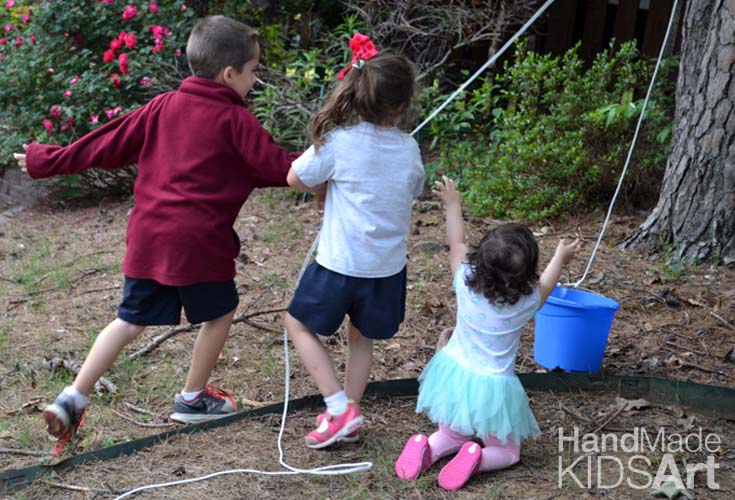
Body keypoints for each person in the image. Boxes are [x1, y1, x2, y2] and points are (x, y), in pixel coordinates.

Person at [13, 15, 300, 443]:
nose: (254, 80)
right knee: (220, 312)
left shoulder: (162, 106)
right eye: (253, 71)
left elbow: (105, 143)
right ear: (229, 74)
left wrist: (46, 159)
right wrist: (328, 164)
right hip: (200, 243)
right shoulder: (237, 121)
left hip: (147, 238)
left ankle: (73, 397)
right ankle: (191, 399)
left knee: (129, 320)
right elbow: (277, 167)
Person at [395, 176, 581, 490]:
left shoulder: (464, 281)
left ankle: (427, 446)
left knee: (450, 433)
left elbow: (456, 243)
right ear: (527, 272)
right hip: (494, 388)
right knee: (508, 452)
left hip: (453, 376)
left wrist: (453, 204)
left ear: (479, 259)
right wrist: (560, 257)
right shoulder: (526, 302)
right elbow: (547, 284)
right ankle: (478, 456)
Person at [284, 35, 425, 449]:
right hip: (386, 268)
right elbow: (414, 189)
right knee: (360, 337)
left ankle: (337, 405)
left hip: (339, 264)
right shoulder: (410, 147)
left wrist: (324, 187)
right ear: (401, 106)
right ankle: (348, 411)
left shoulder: (338, 141)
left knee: (297, 323)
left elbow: (295, 178)